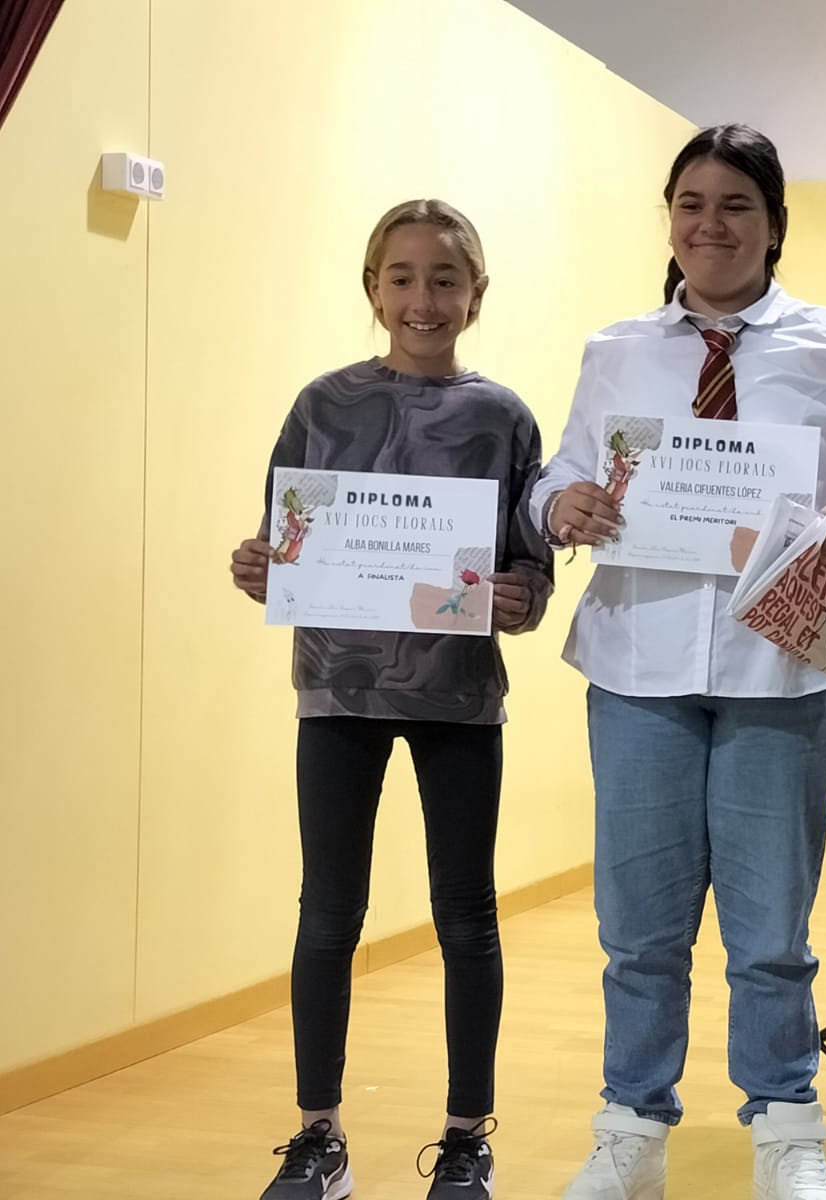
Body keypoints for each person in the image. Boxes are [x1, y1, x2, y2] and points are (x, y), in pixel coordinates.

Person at [529, 124, 826, 1200]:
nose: (711, 225)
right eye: (691, 204)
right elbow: (562, 473)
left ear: (774, 224)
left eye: (736, 205)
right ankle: (630, 1131)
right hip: (637, 667)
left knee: (770, 932)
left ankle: (785, 1134)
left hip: (780, 668)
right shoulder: (617, 349)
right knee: (639, 932)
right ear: (669, 219)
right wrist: (562, 505)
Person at [229, 199, 552, 1200]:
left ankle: (465, 1140)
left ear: (476, 293)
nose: (423, 298)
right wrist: (259, 568)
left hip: (458, 695)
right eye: (402, 277)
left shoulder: (504, 417)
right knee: (328, 914)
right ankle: (317, 1138)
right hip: (339, 688)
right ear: (372, 288)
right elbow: (285, 545)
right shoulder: (323, 404)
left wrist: (519, 598)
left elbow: (530, 573)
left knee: (466, 916)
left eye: (444, 279)